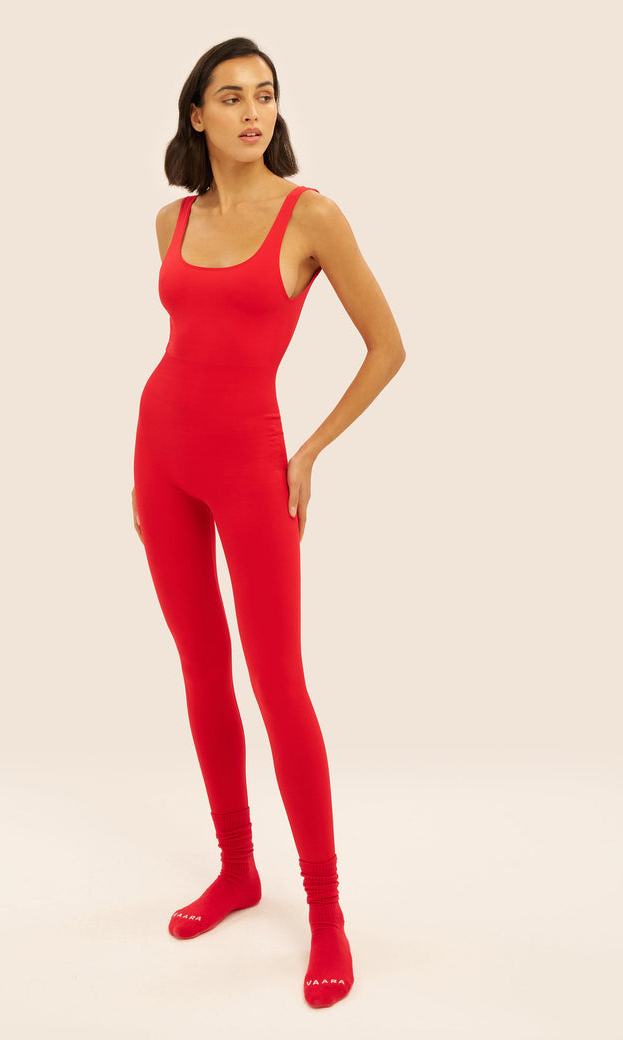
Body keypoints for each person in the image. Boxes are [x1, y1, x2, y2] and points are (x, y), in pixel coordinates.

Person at [131, 36, 405, 1010]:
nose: (253, 111)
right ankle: (237, 869)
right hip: (160, 457)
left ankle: (326, 912)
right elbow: (186, 347)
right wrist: (144, 471)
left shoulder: (310, 215)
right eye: (231, 96)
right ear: (196, 114)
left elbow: (387, 346)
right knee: (201, 670)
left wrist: (309, 451)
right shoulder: (171, 219)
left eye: (266, 95)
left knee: (279, 683)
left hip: (253, 469)